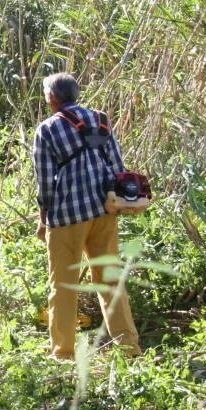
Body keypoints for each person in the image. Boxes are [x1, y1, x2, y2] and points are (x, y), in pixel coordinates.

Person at [33, 72, 141, 360]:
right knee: (109, 280)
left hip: (67, 216)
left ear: (52, 97)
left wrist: (43, 216)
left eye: (45, 93)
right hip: (104, 211)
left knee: (64, 286)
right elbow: (117, 165)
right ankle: (130, 348)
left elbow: (44, 181)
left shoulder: (47, 129)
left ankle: (63, 352)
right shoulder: (101, 119)